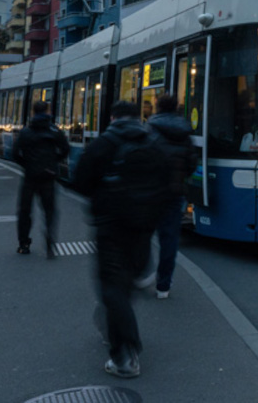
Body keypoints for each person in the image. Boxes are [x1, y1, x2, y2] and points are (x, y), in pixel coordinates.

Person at [72, 101, 170, 379]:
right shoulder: (153, 144)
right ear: (138, 118)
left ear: (112, 116)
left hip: (111, 226)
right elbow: (168, 185)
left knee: (112, 286)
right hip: (142, 227)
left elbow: (80, 181)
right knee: (124, 283)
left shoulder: (103, 144)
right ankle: (128, 296)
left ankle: (125, 354)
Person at [146, 94, 195, 300]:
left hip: (149, 192)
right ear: (176, 107)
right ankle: (163, 286)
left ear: (157, 106)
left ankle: (141, 273)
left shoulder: (148, 129)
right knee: (169, 240)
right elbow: (191, 164)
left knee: (141, 234)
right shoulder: (185, 132)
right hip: (174, 194)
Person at [14, 100, 70, 258]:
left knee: (25, 211)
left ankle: (23, 244)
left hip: (30, 177)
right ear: (47, 112)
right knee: (50, 211)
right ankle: (50, 243)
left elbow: (15, 154)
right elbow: (65, 149)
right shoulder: (55, 131)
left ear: (33, 112)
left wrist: (27, 165)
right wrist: (53, 162)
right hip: (48, 177)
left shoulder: (25, 132)